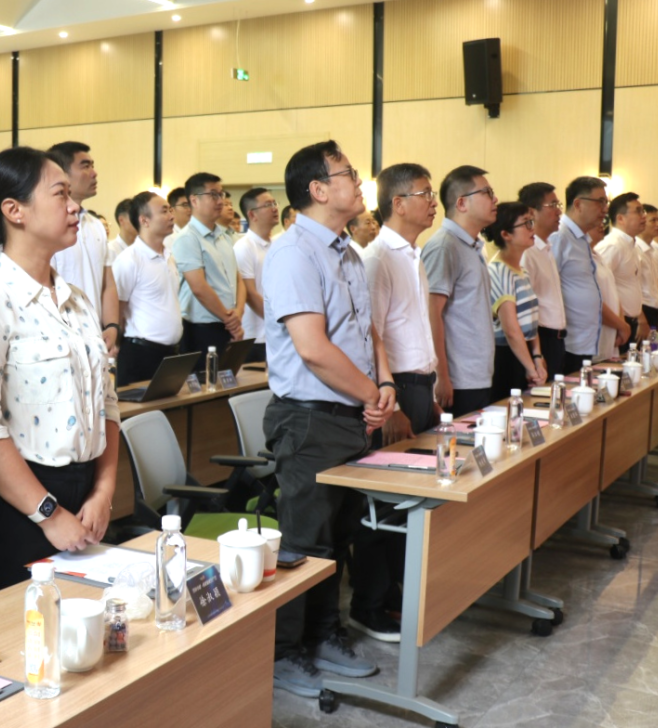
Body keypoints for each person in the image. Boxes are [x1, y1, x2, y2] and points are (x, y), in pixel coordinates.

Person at [0, 146, 120, 598]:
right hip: (14, 509)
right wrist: (48, 513)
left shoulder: (78, 301)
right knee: (23, 635)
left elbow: (107, 404)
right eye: (60, 194)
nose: (74, 206)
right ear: (15, 211)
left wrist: (103, 493)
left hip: (83, 499)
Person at [263, 139, 394, 697]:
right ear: (318, 189)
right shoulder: (293, 253)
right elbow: (313, 349)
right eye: (349, 174)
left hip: (349, 413)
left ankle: (322, 635)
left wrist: (384, 385)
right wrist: (371, 395)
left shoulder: (347, 252)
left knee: (337, 537)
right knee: (303, 542)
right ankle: (282, 651)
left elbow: (368, 331)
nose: (359, 183)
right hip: (310, 419)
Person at [363, 163, 439, 445]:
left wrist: (431, 397)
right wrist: (391, 409)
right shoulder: (378, 259)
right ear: (398, 204)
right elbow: (370, 339)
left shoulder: (413, 255)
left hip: (422, 387)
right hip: (397, 388)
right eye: (425, 194)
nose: (434, 203)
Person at [420, 165, 498, 417]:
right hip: (457, 379)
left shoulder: (473, 245)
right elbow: (431, 313)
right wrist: (441, 376)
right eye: (487, 193)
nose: (495, 199)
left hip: (477, 375)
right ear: (462, 203)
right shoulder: (445, 246)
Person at [46, 142, 121, 356]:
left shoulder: (95, 225)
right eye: (85, 166)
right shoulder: (50, 226)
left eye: (92, 166)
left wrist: (111, 326)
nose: (94, 173)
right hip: (60, 339)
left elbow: (107, 283)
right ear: (62, 172)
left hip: (95, 335)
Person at [172, 172, 246, 370]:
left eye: (221, 194)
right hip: (201, 330)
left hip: (228, 324)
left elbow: (238, 279)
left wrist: (238, 313)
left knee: (228, 382)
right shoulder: (188, 238)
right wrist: (230, 320)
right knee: (204, 384)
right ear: (194, 200)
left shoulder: (225, 237)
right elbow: (199, 287)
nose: (220, 200)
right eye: (213, 195)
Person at [112, 191, 183, 386]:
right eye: (164, 211)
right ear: (144, 220)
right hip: (140, 354)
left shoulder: (169, 256)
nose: (171, 216)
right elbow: (117, 308)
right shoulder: (129, 259)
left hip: (170, 352)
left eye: (170, 210)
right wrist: (116, 345)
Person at [551, 177, 617, 373]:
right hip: (568, 343)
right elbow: (550, 288)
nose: (605, 209)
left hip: (585, 342)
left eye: (606, 202)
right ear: (578, 204)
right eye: (600, 202)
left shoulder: (581, 239)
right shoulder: (559, 236)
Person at [483, 202, 544, 400]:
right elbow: (511, 329)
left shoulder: (522, 270)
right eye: (526, 223)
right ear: (506, 234)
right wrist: (531, 367)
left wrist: (537, 356)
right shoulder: (498, 271)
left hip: (524, 354)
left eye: (532, 222)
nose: (532, 228)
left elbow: (531, 320)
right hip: (507, 357)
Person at [519, 182, 567, 380]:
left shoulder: (546, 248)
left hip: (557, 339)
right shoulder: (527, 252)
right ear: (532, 212)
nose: (559, 212)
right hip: (540, 339)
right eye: (553, 205)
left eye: (558, 205)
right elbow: (524, 309)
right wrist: (536, 354)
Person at [595, 192, 648, 350]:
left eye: (643, 211)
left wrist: (640, 317)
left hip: (629, 321)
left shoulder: (632, 246)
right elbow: (599, 287)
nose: (643, 216)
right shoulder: (612, 245)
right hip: (616, 323)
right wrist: (618, 323)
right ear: (620, 218)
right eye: (638, 211)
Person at [233, 187, 277, 363]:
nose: (274, 208)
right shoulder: (244, 247)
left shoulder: (276, 245)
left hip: (274, 334)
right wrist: (278, 322)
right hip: (255, 336)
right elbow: (250, 294)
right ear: (252, 214)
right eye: (268, 205)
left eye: (274, 203)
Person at [588, 220, 623, 362]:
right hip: (596, 333)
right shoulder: (583, 258)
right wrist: (621, 326)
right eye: (595, 222)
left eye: (602, 221)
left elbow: (613, 292)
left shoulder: (598, 255)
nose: (601, 225)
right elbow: (593, 300)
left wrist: (622, 323)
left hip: (612, 330)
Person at [637, 204, 658, 330]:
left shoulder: (651, 251)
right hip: (642, 310)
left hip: (654, 309)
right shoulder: (636, 249)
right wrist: (640, 317)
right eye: (653, 220)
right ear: (641, 222)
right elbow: (632, 287)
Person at [108, 197, 136, 263]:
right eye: (134, 217)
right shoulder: (110, 250)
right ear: (121, 220)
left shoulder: (143, 248)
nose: (139, 222)